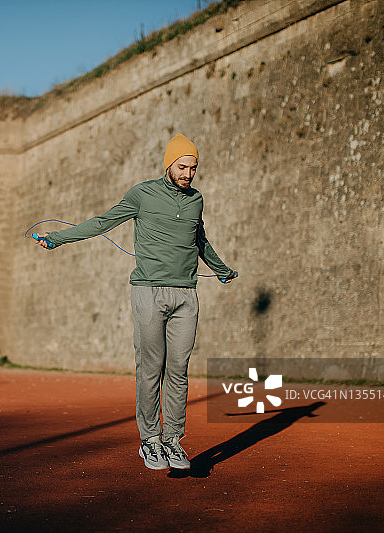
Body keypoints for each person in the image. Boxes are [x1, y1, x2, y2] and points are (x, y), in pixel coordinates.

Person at [34, 133, 237, 471]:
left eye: (193, 168)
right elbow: (102, 222)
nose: (188, 174)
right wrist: (56, 239)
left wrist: (221, 270)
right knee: (150, 368)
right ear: (169, 164)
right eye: (182, 167)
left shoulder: (196, 200)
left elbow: (199, 239)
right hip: (149, 292)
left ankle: (173, 440)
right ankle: (150, 440)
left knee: (178, 370)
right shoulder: (142, 194)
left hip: (186, 295)